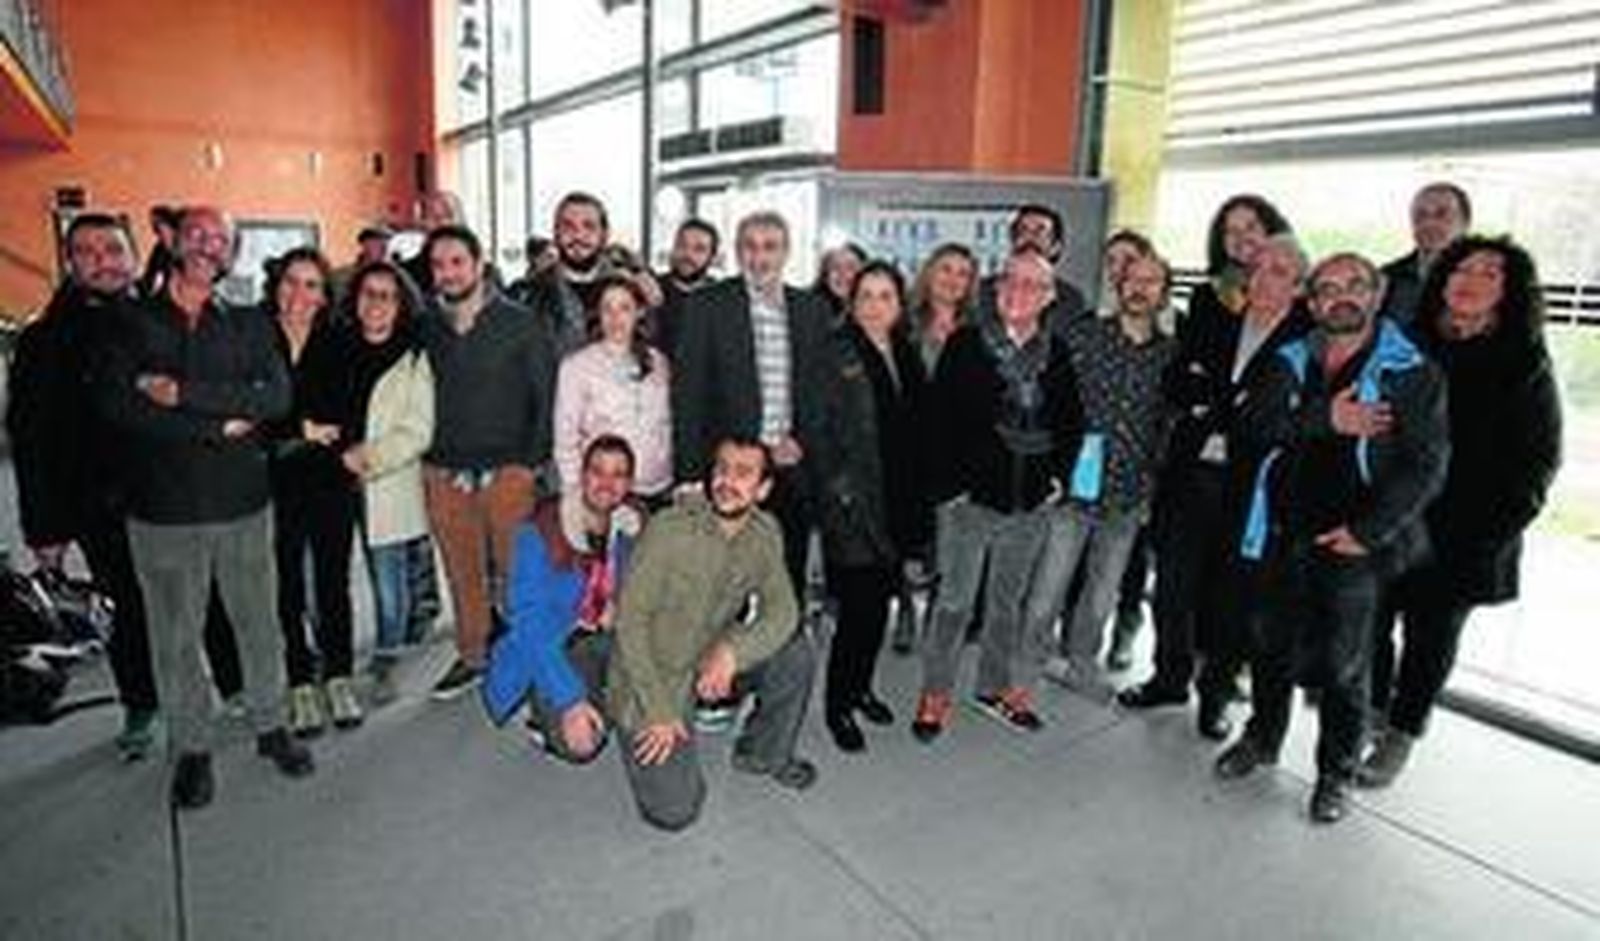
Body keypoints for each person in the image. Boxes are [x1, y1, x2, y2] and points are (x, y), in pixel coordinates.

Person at [1218, 251, 1448, 825]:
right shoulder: (1291, 359)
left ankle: (1335, 775)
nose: (1340, 296)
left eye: (1354, 285)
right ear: (1312, 302)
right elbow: (1252, 426)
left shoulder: (1411, 370)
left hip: (1354, 545)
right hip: (1280, 530)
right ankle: (1262, 739)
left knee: (1347, 668)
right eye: (1327, 288)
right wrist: (1325, 418)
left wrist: (1369, 532)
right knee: (1269, 646)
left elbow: (1426, 465)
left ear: (1376, 295)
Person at [99, 205, 312, 809]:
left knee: (258, 623)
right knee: (175, 637)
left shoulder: (247, 322)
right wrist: (221, 424)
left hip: (242, 504)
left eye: (220, 239)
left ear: (231, 253)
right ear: (170, 239)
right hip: (161, 512)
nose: (207, 246)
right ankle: (193, 747)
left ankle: (272, 726)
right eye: (196, 234)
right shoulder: (129, 323)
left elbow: (274, 398)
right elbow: (121, 409)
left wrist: (183, 396)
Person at [7, 213, 232, 759]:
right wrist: (45, 527)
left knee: (209, 593)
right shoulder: (43, 341)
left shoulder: (171, 318)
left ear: (133, 256)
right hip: (99, 502)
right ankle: (142, 702)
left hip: (182, 492)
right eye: (87, 251)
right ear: (70, 263)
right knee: (131, 608)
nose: (102, 260)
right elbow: (31, 437)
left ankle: (237, 685)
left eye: (112, 248)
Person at [1361, 236, 1561, 788]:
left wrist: (1486, 533)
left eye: (1489, 273)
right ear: (1442, 281)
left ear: (1509, 291)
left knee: (1430, 639)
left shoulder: (1524, 361)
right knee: (1372, 625)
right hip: (1392, 517)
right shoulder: (1408, 344)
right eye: (1461, 270)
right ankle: (1369, 713)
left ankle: (1401, 732)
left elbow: (1538, 463)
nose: (1470, 280)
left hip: (1465, 533)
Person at [1118, 234, 1312, 742]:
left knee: (1233, 599)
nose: (1262, 277)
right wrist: (1227, 405)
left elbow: (1286, 416)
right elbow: (1177, 381)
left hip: (1254, 490)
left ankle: (1216, 696)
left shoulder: (1307, 343)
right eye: (1259, 267)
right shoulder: (1215, 325)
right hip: (1189, 477)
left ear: (1298, 286)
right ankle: (1168, 678)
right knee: (1173, 587)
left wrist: (1221, 406)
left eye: (1277, 271)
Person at [911, 248, 1084, 741]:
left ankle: (992, 688)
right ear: (995, 287)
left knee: (1006, 604)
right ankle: (935, 692)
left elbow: (1071, 422)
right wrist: (952, 491)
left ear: (1049, 297)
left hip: (1030, 506)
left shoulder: (1058, 353)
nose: (1018, 291)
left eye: (1032, 285)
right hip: (970, 503)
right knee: (953, 604)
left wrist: (1059, 479)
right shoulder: (967, 344)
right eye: (1010, 280)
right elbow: (937, 423)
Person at [608, 437, 817, 831]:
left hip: (709, 654)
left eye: (743, 473)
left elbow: (784, 608)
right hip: (655, 671)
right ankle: (627, 717)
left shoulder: (765, 532)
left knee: (795, 653)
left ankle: (761, 753)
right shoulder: (671, 530)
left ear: (764, 489)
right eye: (722, 469)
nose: (727, 481)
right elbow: (630, 622)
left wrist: (733, 652)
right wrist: (658, 709)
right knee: (674, 812)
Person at [1024, 252, 1177, 705]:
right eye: (1132, 278)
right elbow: (1048, 401)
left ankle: (1081, 664)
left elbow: (1166, 427)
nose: (1140, 288)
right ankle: (1028, 661)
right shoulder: (1084, 336)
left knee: (1101, 593)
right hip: (1074, 487)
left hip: (1129, 494)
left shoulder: (1171, 354)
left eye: (1151, 281)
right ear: (1118, 283)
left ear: (1164, 292)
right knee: (1048, 587)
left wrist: (1151, 488)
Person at [419, 224, 557, 700]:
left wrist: (530, 463)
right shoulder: (426, 325)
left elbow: (546, 394)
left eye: (457, 262)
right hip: (444, 474)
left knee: (518, 575)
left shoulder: (519, 322)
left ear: (478, 265)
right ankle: (473, 655)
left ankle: (530, 659)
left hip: (508, 473)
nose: (448, 273)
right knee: (463, 573)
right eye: (438, 265)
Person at [671, 210, 833, 593]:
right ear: (737, 251)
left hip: (790, 464)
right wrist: (689, 473)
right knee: (721, 577)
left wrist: (803, 441)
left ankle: (780, 642)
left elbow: (820, 390)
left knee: (785, 570)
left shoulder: (811, 310)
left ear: (786, 253)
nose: (760, 257)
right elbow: (687, 394)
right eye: (750, 247)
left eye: (770, 247)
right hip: (728, 466)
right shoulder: (707, 305)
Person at [813, 261, 929, 752]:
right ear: (852, 302)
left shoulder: (906, 352)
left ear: (899, 305)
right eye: (866, 296)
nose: (875, 306)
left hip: (896, 502)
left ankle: (862, 689)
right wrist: (841, 495)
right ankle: (838, 705)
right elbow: (817, 431)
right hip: (851, 506)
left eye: (885, 296)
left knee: (878, 610)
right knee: (856, 613)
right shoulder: (835, 352)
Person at [481, 435, 643, 762]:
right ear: (581, 476)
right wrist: (570, 699)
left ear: (629, 484)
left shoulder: (633, 528)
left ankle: (594, 699)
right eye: (597, 471)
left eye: (618, 474)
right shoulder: (540, 529)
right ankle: (543, 706)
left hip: (604, 641)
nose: (606, 483)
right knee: (582, 744)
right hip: (553, 646)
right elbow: (529, 625)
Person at [260, 247, 363, 735]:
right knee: (285, 584)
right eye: (290, 282)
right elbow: (245, 408)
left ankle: (338, 675)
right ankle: (300, 680)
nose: (299, 294)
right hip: (270, 482)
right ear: (276, 284)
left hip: (329, 480)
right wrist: (301, 427)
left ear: (325, 296)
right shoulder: (253, 336)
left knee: (332, 582)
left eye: (311, 285)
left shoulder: (341, 340)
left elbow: (347, 414)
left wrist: (292, 429)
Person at [338, 260, 435, 703]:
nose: (375, 303)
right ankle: (331, 653)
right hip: (334, 482)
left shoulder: (415, 357)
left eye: (386, 296)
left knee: (386, 576)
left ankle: (387, 654)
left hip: (387, 480)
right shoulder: (335, 346)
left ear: (401, 305)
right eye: (368, 293)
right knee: (331, 574)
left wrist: (369, 458)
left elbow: (418, 429)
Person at [553, 275, 673, 503]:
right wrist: (575, 492)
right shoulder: (576, 366)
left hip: (658, 487)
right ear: (597, 313)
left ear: (639, 312)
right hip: (605, 491)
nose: (615, 318)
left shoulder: (659, 362)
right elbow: (565, 440)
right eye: (607, 308)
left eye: (624, 308)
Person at [1185, 194, 1294, 332]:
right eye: (1231, 231)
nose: (1242, 237)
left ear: (1272, 232)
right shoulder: (1204, 296)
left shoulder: (1296, 294)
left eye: (1251, 227)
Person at [977, 204, 1090, 335]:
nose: (1030, 238)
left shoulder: (1071, 299)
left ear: (1056, 247)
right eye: (1023, 231)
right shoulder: (982, 291)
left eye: (1039, 232)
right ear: (1013, 241)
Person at [526, 192, 614, 357]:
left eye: (589, 226)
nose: (578, 236)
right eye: (568, 227)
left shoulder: (631, 292)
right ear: (555, 233)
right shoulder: (530, 294)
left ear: (605, 234)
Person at [1379, 182, 1472, 327]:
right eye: (1420, 215)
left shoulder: (1488, 280)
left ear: (1465, 222)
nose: (1429, 223)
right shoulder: (1387, 278)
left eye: (1441, 214)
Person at [907, 242, 979, 375]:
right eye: (946, 269)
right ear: (929, 273)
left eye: (962, 274)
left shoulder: (979, 329)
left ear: (970, 284)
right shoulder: (903, 322)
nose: (952, 280)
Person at [651, 218, 720, 355]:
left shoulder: (721, 298)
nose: (688, 254)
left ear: (712, 257)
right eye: (682, 245)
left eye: (699, 249)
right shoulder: (652, 289)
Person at [331, 224, 394, 305]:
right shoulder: (340, 277)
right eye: (373, 241)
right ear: (364, 244)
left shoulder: (398, 278)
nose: (378, 245)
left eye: (384, 241)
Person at [812, 242, 868, 326]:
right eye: (835, 267)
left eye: (850, 267)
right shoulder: (812, 312)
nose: (842, 273)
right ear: (825, 276)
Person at [136, 204, 182, 299]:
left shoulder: (186, 245)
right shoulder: (159, 249)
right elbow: (150, 275)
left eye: (160, 222)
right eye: (155, 225)